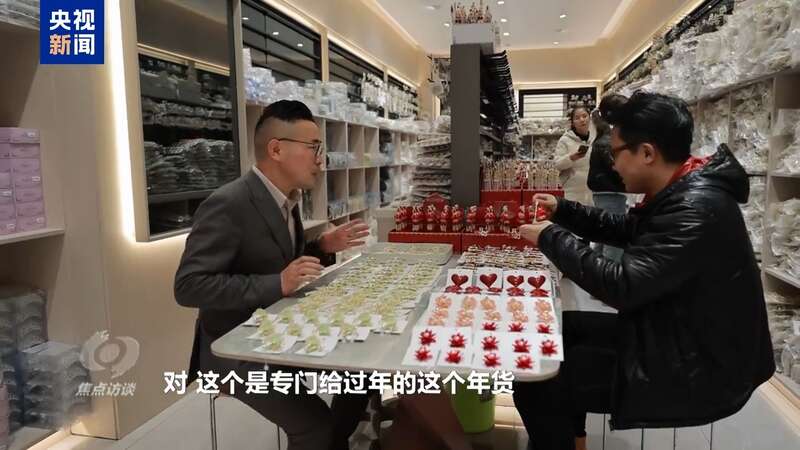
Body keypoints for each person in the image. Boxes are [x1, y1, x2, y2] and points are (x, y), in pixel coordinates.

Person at [517, 91, 775, 450]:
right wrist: (563, 210)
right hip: (675, 331)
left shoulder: (694, 209)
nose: (612, 164)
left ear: (647, 153)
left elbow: (623, 286)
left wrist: (551, 237)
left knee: (537, 381)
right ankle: (573, 440)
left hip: (698, 364)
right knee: (565, 328)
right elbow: (626, 228)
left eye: (616, 153)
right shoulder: (684, 189)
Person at [174, 100, 371, 450]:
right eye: (313, 148)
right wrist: (276, 284)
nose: (321, 160)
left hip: (279, 332)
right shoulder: (229, 203)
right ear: (276, 149)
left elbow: (277, 262)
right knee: (314, 425)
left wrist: (322, 246)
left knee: (362, 372)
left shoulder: (287, 200)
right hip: (235, 349)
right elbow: (189, 286)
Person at [587, 95, 628, 261]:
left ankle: (596, 269)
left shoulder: (602, 139)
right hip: (610, 191)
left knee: (603, 235)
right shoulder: (607, 141)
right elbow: (614, 166)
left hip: (604, 191)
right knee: (613, 239)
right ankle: (609, 271)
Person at [554, 105, 593, 205]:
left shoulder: (595, 139)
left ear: (589, 118)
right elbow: (557, 165)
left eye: (584, 116)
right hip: (571, 191)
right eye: (577, 118)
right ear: (572, 122)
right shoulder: (565, 140)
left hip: (591, 192)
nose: (582, 120)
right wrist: (571, 158)